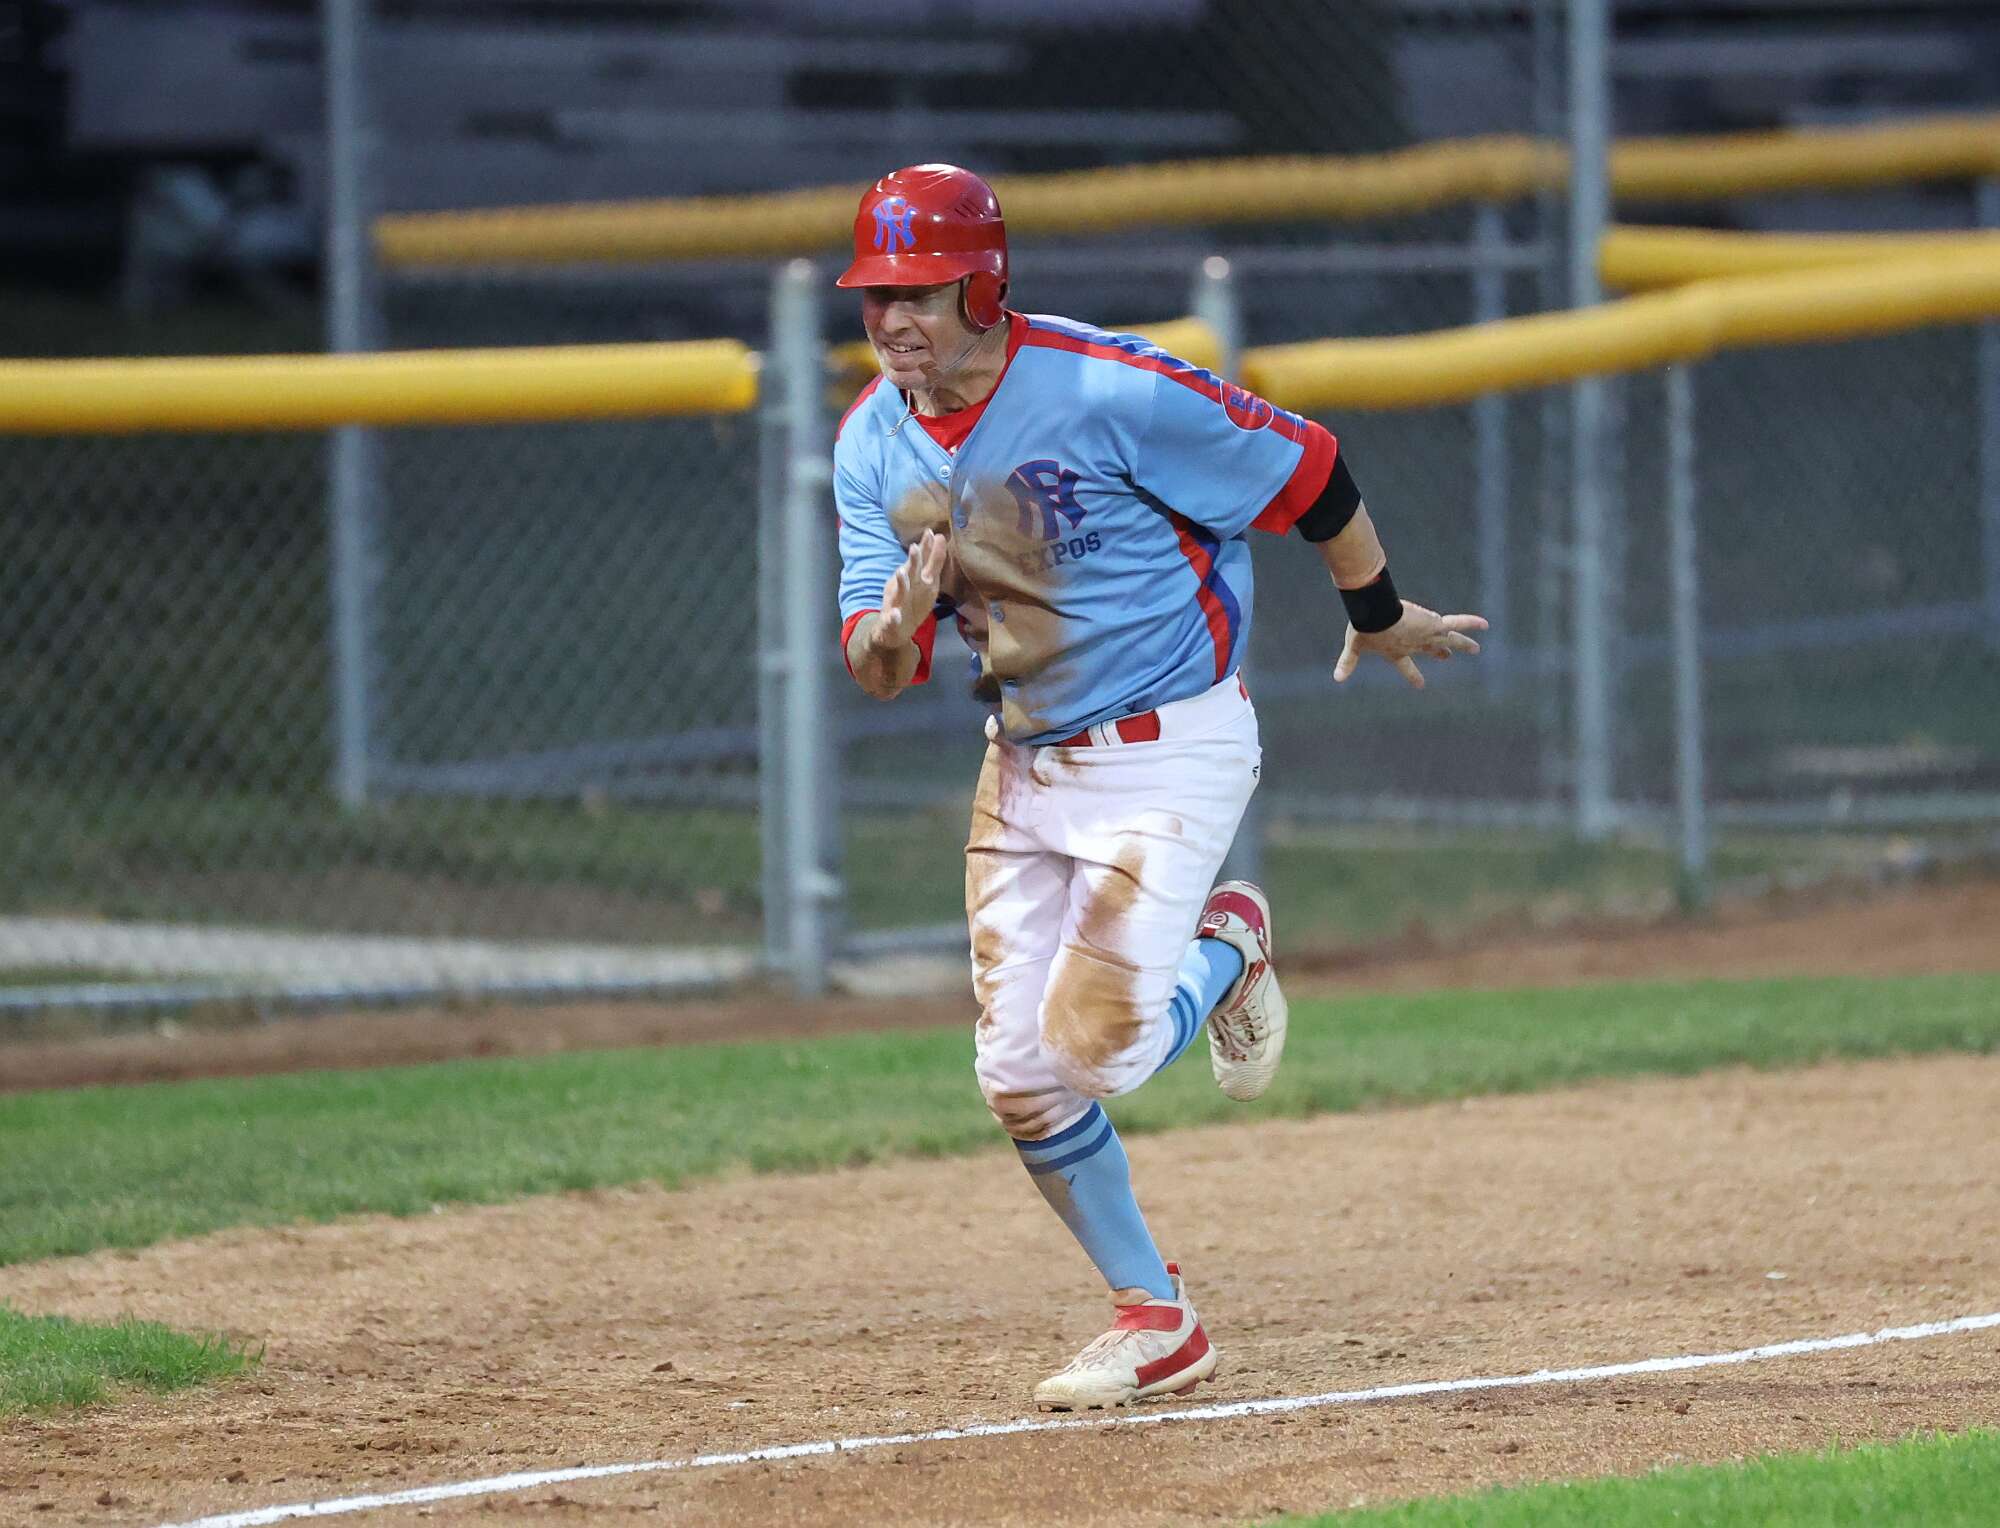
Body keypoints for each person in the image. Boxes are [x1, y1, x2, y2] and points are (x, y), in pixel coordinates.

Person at [831, 164, 1485, 1411]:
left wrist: (1376, 610)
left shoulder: (1103, 386)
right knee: (1017, 1076)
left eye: (920, 291)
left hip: (1170, 740)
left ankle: (1227, 946)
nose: (893, 319)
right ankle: (1157, 1318)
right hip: (1022, 761)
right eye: (877, 295)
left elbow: (1306, 467)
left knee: (1101, 1052)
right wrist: (892, 629)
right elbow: (876, 662)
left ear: (983, 286)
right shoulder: (870, 441)